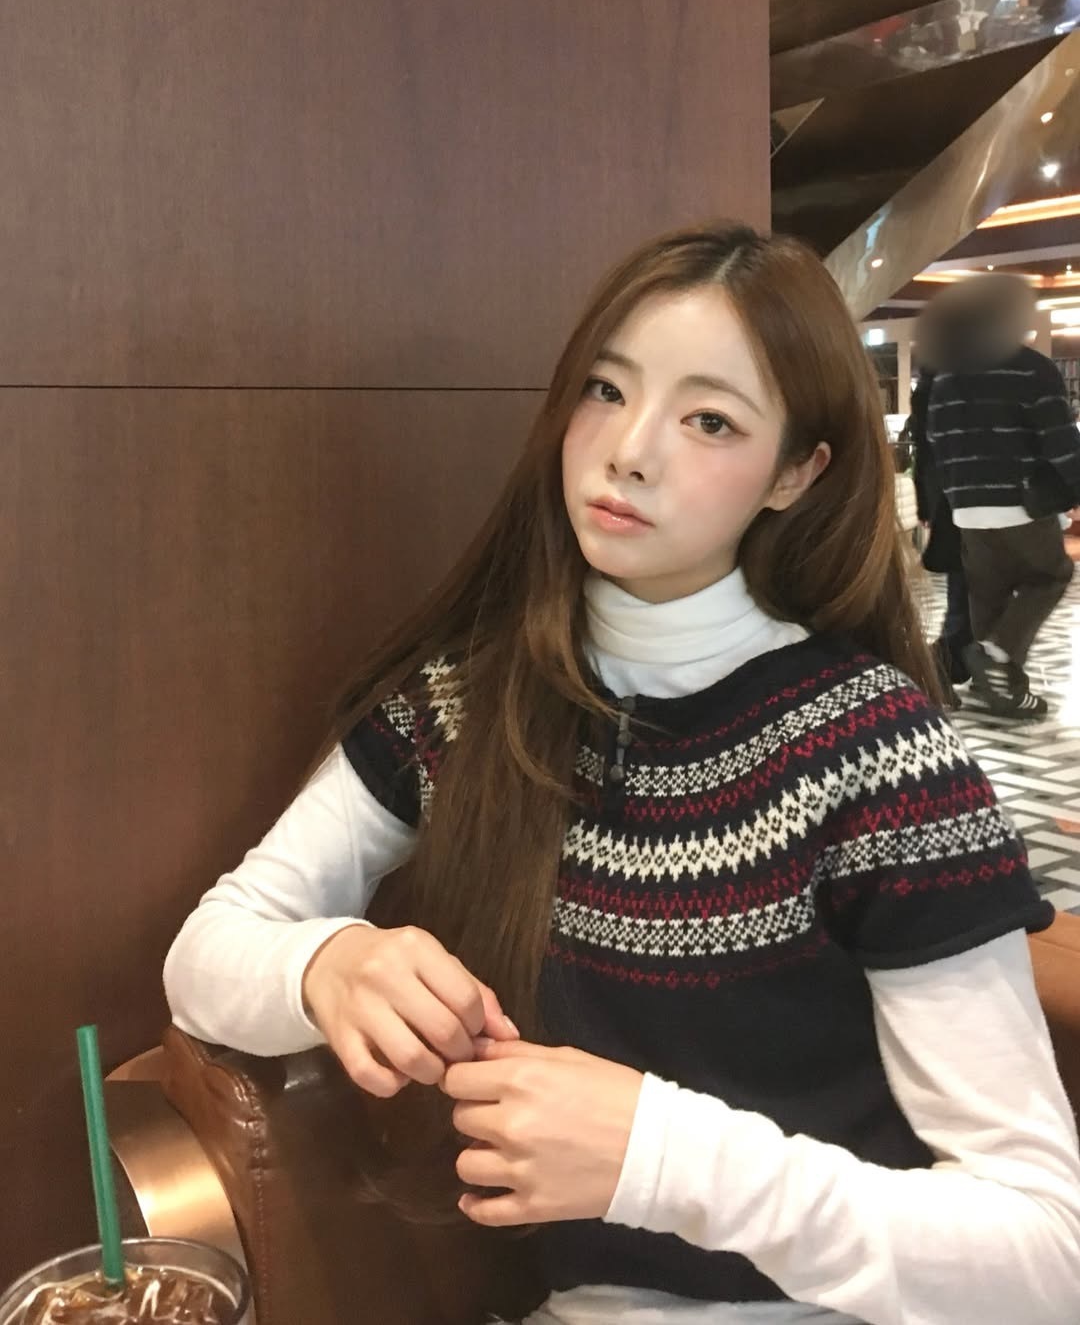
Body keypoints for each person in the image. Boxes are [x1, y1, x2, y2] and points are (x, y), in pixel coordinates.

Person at [164, 224, 1080, 1325]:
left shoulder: (877, 755)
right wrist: (329, 962)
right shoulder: (469, 704)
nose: (630, 450)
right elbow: (206, 953)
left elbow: (1042, 1258)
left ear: (797, 471)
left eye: (710, 420)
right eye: (607, 390)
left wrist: (663, 1157)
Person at [923, 275, 1080, 719]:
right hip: (1021, 501)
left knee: (987, 596)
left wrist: (955, 497)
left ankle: (1001, 691)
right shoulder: (1032, 369)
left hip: (967, 510)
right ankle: (995, 657)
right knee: (1050, 575)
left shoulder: (949, 376)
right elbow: (1061, 442)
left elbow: (936, 442)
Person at [902, 361, 974, 709]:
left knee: (968, 589)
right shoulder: (952, 381)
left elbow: (923, 446)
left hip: (950, 498)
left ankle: (952, 666)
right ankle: (943, 667)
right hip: (961, 498)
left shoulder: (934, 383)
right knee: (967, 590)